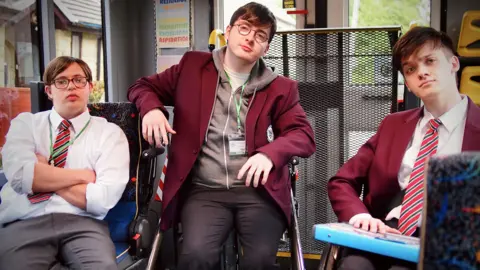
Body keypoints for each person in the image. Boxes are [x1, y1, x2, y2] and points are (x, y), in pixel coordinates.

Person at [128, 2, 315, 269]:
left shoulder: (281, 88)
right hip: (205, 190)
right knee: (196, 256)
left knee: (259, 261)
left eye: (260, 35)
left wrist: (270, 154)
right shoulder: (192, 67)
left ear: (267, 48)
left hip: (258, 193)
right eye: (244, 28)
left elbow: (303, 135)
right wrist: (152, 110)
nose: (250, 37)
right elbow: (142, 86)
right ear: (228, 31)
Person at [328, 26, 480, 270]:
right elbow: (342, 181)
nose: (422, 72)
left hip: (450, 241)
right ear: (408, 84)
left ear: (453, 64)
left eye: (430, 61)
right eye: (411, 69)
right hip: (387, 232)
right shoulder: (393, 125)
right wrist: (361, 216)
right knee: (353, 267)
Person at [0, 56, 129, 269]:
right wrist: (83, 176)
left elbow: (101, 199)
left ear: (90, 86)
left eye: (78, 80)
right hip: (24, 222)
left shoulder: (110, 134)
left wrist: (43, 174)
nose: (71, 86)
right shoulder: (25, 124)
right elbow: (21, 178)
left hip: (84, 224)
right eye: (61, 81)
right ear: (49, 91)